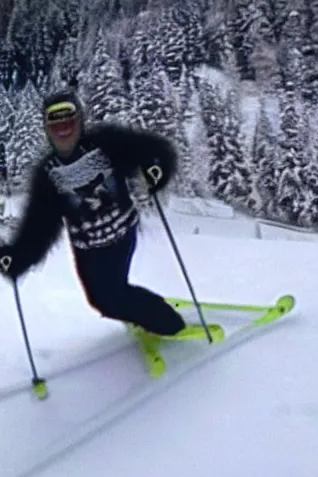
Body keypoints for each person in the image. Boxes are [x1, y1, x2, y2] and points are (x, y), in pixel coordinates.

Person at [0, 88, 186, 337]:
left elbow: (151, 150)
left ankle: (168, 323)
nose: (63, 127)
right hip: (88, 251)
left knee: (112, 296)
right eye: (55, 123)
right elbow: (38, 228)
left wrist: (156, 167)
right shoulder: (48, 175)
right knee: (101, 301)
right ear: (46, 129)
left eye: (69, 120)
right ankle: (144, 311)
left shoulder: (106, 144)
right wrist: (16, 259)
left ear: (80, 120)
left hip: (120, 234)